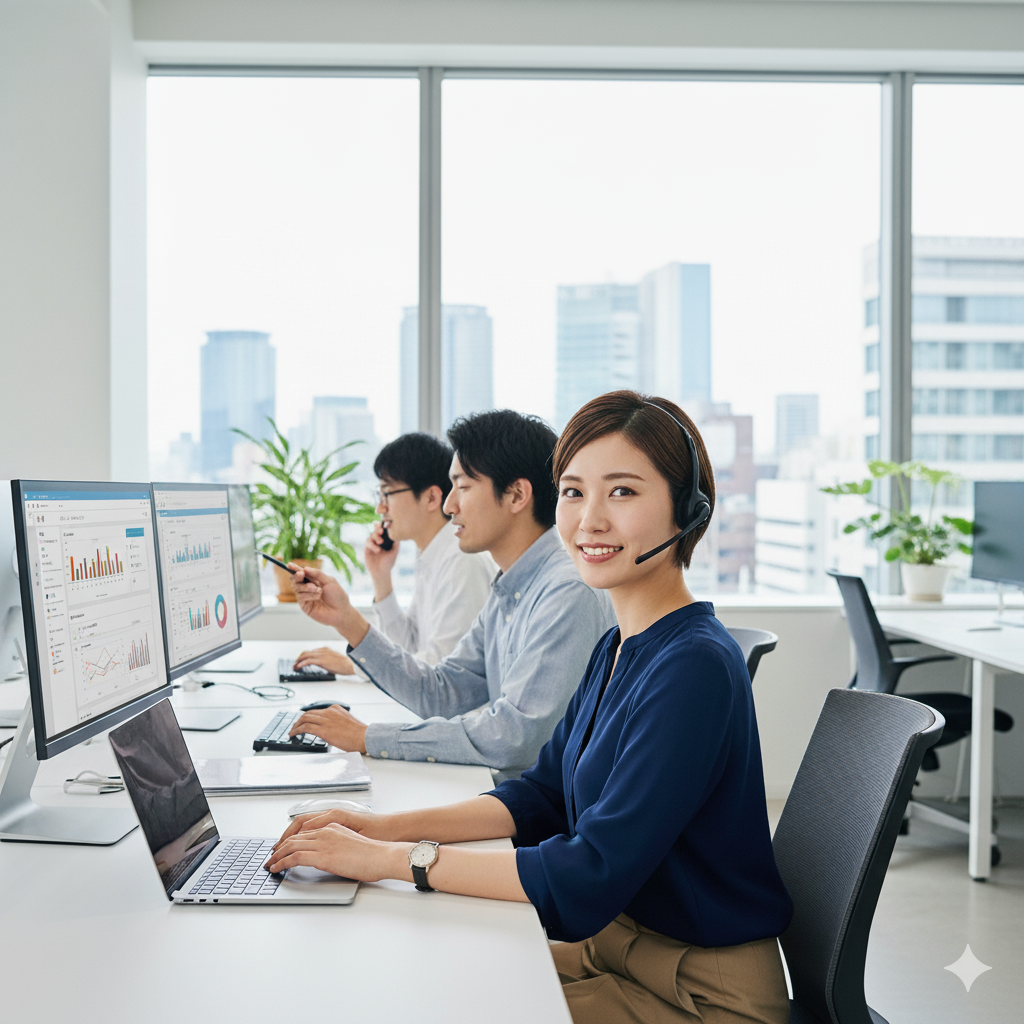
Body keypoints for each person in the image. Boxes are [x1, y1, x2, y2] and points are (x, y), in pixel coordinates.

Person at [266, 391, 792, 1024]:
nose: (589, 520)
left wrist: (389, 862)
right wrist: (378, 826)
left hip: (698, 994)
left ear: (687, 510)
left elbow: (587, 874)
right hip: (620, 950)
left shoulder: (693, 666)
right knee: (416, 972)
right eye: (573, 491)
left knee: (425, 1000)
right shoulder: (618, 645)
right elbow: (539, 795)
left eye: (622, 492)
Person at [283, 409, 616, 779]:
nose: (448, 505)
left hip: (538, 815)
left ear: (517, 494)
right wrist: (347, 622)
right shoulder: (511, 587)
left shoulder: (566, 592)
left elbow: (514, 738)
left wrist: (368, 736)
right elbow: (442, 692)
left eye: (463, 486)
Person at [293, 432, 495, 673]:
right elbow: (407, 647)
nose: (380, 507)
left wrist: (355, 665)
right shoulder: (432, 556)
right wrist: (381, 577)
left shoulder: (461, 561)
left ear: (431, 498)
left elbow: (444, 670)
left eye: (387, 494)